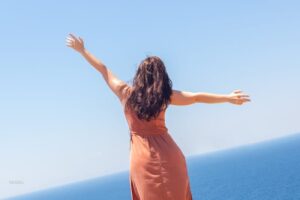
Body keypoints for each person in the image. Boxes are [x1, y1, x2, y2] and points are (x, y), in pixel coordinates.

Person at [66, 33, 251, 200]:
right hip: (170, 155)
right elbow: (196, 97)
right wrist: (227, 98)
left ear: (139, 75)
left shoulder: (125, 93)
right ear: (162, 77)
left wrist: (83, 51)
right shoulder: (165, 97)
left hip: (142, 159)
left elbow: (104, 70)